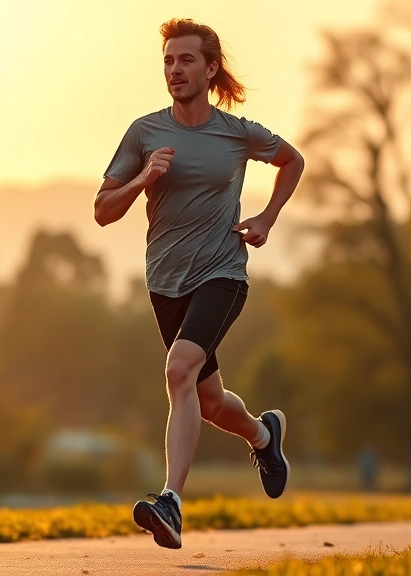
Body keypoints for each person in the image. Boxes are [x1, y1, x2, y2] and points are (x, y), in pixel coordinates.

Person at [93, 18, 304, 550]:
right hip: (166, 283)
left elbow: (292, 160)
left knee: (178, 370)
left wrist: (266, 218)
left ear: (210, 69)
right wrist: (143, 179)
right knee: (206, 401)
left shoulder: (236, 134)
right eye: (168, 61)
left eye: (185, 60)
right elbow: (102, 211)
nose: (174, 70)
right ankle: (263, 434)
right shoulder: (145, 133)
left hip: (222, 273)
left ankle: (171, 502)